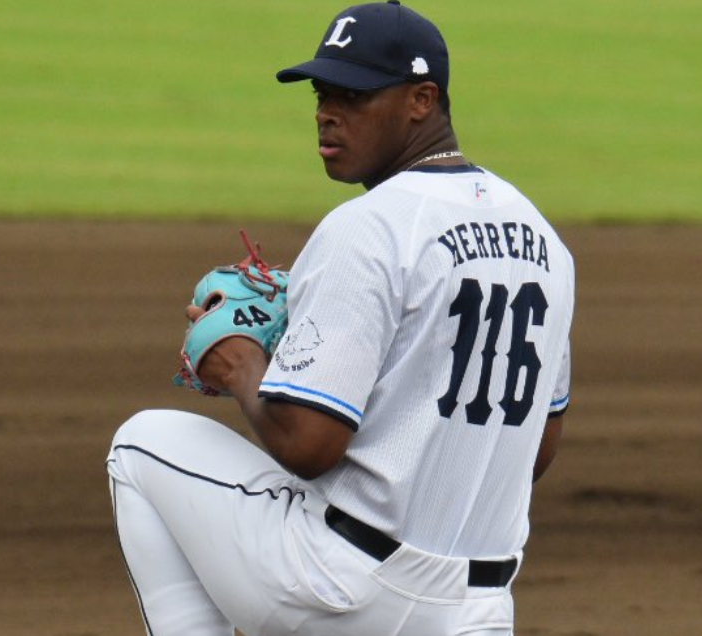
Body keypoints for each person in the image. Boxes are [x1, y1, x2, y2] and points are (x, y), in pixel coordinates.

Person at [106, 2, 574, 635]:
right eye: (323, 94)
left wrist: (243, 364)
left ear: (422, 100)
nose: (327, 112)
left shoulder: (367, 228)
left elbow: (309, 446)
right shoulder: (545, 244)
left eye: (354, 96)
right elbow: (533, 452)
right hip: (479, 614)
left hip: (343, 596)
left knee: (140, 445)